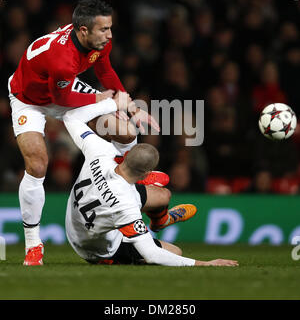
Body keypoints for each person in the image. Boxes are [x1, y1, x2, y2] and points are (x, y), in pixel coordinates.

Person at [7, 0, 159, 265]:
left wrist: (132, 108)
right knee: (37, 164)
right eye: (104, 29)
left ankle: (131, 173)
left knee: (124, 130)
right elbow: (63, 100)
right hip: (29, 100)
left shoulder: (99, 42)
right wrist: (107, 100)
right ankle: (33, 245)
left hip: (63, 89)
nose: (109, 35)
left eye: (110, 28)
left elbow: (106, 71)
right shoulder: (62, 60)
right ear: (83, 30)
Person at [60, 92, 239, 267]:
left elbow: (70, 117)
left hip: (76, 219)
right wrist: (205, 263)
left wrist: (112, 103)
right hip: (93, 247)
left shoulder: (99, 150)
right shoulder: (126, 204)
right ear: (146, 175)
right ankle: (112, 254)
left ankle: (161, 220)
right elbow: (153, 255)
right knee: (175, 252)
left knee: (164, 195)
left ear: (126, 156)